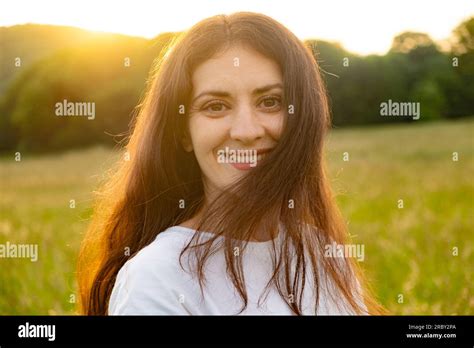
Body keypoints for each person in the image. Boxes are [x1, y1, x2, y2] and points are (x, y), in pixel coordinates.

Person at [77, 11, 383, 315]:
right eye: (216, 106)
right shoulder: (156, 278)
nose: (246, 131)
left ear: (302, 117)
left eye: (270, 101)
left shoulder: (322, 252)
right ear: (184, 133)